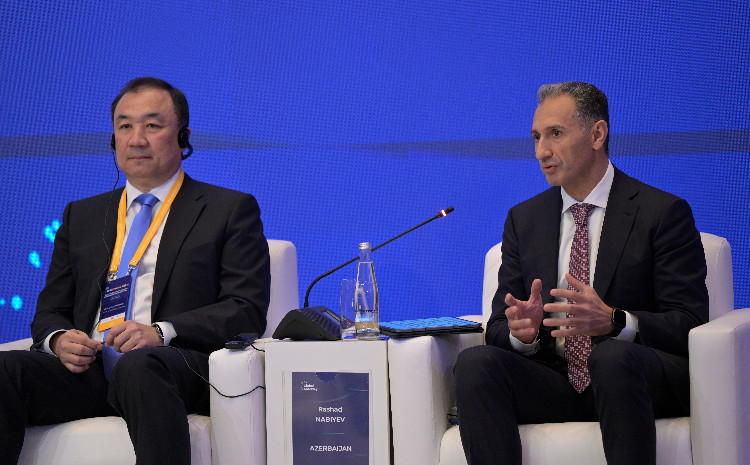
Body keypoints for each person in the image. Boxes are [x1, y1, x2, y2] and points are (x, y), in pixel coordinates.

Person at [0, 77, 271, 464]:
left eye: (152, 125)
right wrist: (59, 340)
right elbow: (50, 310)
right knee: (6, 369)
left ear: (183, 136)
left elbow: (245, 309)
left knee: (140, 367)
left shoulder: (228, 209)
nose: (137, 139)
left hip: (174, 366)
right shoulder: (82, 215)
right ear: (113, 140)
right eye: (125, 126)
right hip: (90, 370)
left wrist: (161, 332)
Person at [454, 82, 708, 465]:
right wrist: (524, 334)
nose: (542, 151)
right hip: (555, 379)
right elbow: (499, 326)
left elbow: (689, 321)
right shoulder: (524, 220)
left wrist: (616, 321)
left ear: (597, 135)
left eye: (555, 133)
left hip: (634, 377)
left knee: (612, 358)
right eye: (537, 137)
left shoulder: (662, 213)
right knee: (476, 364)